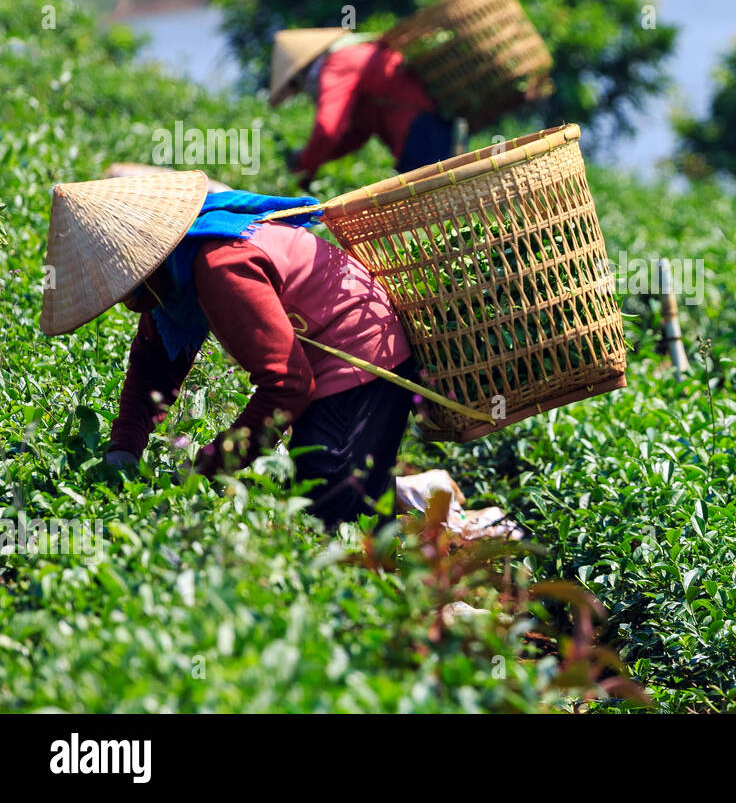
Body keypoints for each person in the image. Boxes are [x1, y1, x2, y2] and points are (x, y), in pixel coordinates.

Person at [38, 171, 473, 528]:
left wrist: (209, 466)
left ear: (145, 266)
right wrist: (122, 451)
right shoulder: (176, 272)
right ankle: (414, 496)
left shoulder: (220, 266)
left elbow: (288, 385)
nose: (125, 302)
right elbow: (153, 368)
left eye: (123, 289)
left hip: (361, 355)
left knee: (334, 523)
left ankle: (446, 549)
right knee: (321, 495)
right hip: (331, 363)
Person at [268, 28, 456, 189]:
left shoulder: (339, 62)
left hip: (418, 131)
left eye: (295, 85)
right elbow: (356, 134)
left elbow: (327, 129)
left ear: (303, 70)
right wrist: (310, 156)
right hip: (426, 127)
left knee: (429, 201)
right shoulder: (354, 53)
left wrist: (305, 168)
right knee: (435, 197)